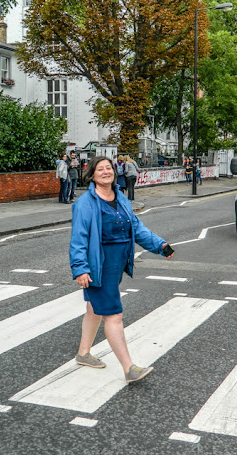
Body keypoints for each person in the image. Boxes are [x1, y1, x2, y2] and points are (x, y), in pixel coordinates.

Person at [69, 156, 174, 382]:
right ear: (92, 175)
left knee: (94, 308)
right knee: (113, 314)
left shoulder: (121, 198)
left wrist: (160, 245)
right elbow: (79, 238)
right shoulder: (85, 203)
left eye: (109, 168)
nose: (106, 172)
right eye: (100, 169)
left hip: (117, 264)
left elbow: (136, 227)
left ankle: (83, 353)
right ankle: (129, 368)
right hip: (99, 265)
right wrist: (80, 269)